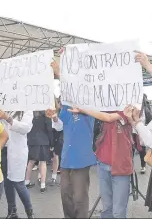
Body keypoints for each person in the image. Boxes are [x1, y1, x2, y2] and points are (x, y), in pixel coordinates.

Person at [47, 59, 97, 218]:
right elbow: (61, 125)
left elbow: (77, 89)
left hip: (81, 158)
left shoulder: (89, 102)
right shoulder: (66, 105)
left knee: (80, 198)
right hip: (67, 157)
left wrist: (61, 73)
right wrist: (54, 118)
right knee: (66, 195)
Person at [0, 59, 35, 218]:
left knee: (18, 183)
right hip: (3, 150)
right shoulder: (4, 102)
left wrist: (8, 119)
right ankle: (12, 211)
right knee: (7, 182)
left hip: (17, 151)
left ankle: (30, 212)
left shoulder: (27, 108)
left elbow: (26, 128)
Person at [25, 111, 54, 192]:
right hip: (43, 141)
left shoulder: (31, 114)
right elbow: (49, 130)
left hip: (32, 140)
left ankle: (26, 181)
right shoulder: (46, 116)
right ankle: (42, 185)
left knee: (31, 162)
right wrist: (52, 144)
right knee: (43, 162)